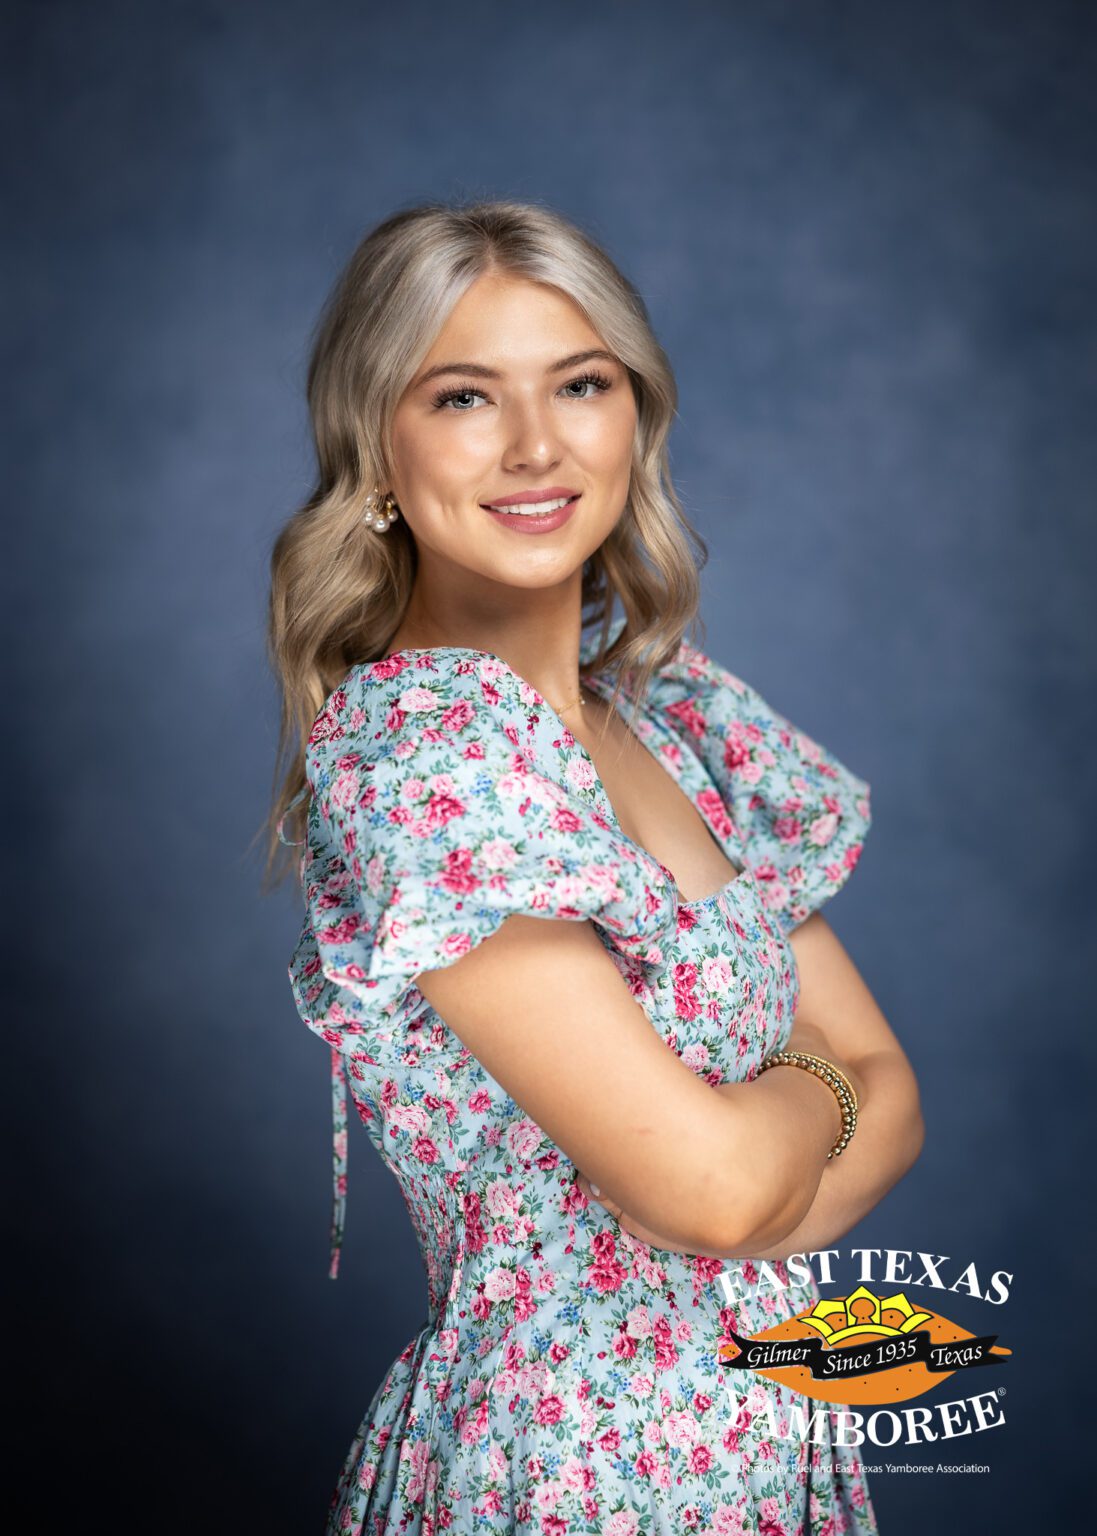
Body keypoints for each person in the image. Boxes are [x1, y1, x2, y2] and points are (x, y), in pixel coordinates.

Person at [267, 199, 923, 1536]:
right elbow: (720, 1192)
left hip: (770, 1441)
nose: (534, 445)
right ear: (376, 450)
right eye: (461, 395)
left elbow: (896, 1090)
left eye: (580, 383)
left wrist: (763, 1156)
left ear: (635, 417)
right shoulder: (426, 754)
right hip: (570, 1475)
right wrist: (794, 1117)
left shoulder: (669, 716)